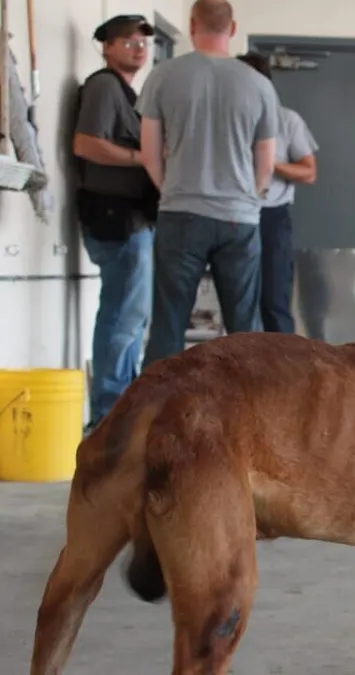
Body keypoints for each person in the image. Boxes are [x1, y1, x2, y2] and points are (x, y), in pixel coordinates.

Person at [136, 0, 280, 364]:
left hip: (181, 211)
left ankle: (158, 416)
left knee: (169, 323)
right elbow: (266, 164)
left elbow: (149, 155)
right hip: (239, 218)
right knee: (245, 329)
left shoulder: (163, 76)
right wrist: (251, 196)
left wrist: (171, 189)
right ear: (232, 29)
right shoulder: (259, 85)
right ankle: (251, 415)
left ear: (191, 25)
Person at [72, 14, 159, 431]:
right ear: (106, 47)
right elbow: (86, 143)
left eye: (143, 41)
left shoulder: (127, 93)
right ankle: (110, 413)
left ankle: (119, 405)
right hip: (114, 216)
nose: (138, 47)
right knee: (123, 316)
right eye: (127, 41)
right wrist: (141, 158)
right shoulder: (105, 86)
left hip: (132, 217)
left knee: (131, 314)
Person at [235, 51, 319, 334]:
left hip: (271, 217)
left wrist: (268, 163)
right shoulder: (226, 121)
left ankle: (284, 376)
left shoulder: (287, 120)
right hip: (231, 215)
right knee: (238, 302)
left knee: (274, 301)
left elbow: (309, 172)